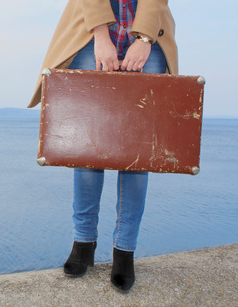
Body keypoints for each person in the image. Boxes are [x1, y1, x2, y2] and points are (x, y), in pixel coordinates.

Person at [28, 0, 178, 291]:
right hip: (90, 28)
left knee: (139, 152)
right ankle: (83, 243)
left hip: (149, 29)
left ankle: (125, 251)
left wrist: (145, 38)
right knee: (88, 145)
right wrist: (100, 34)